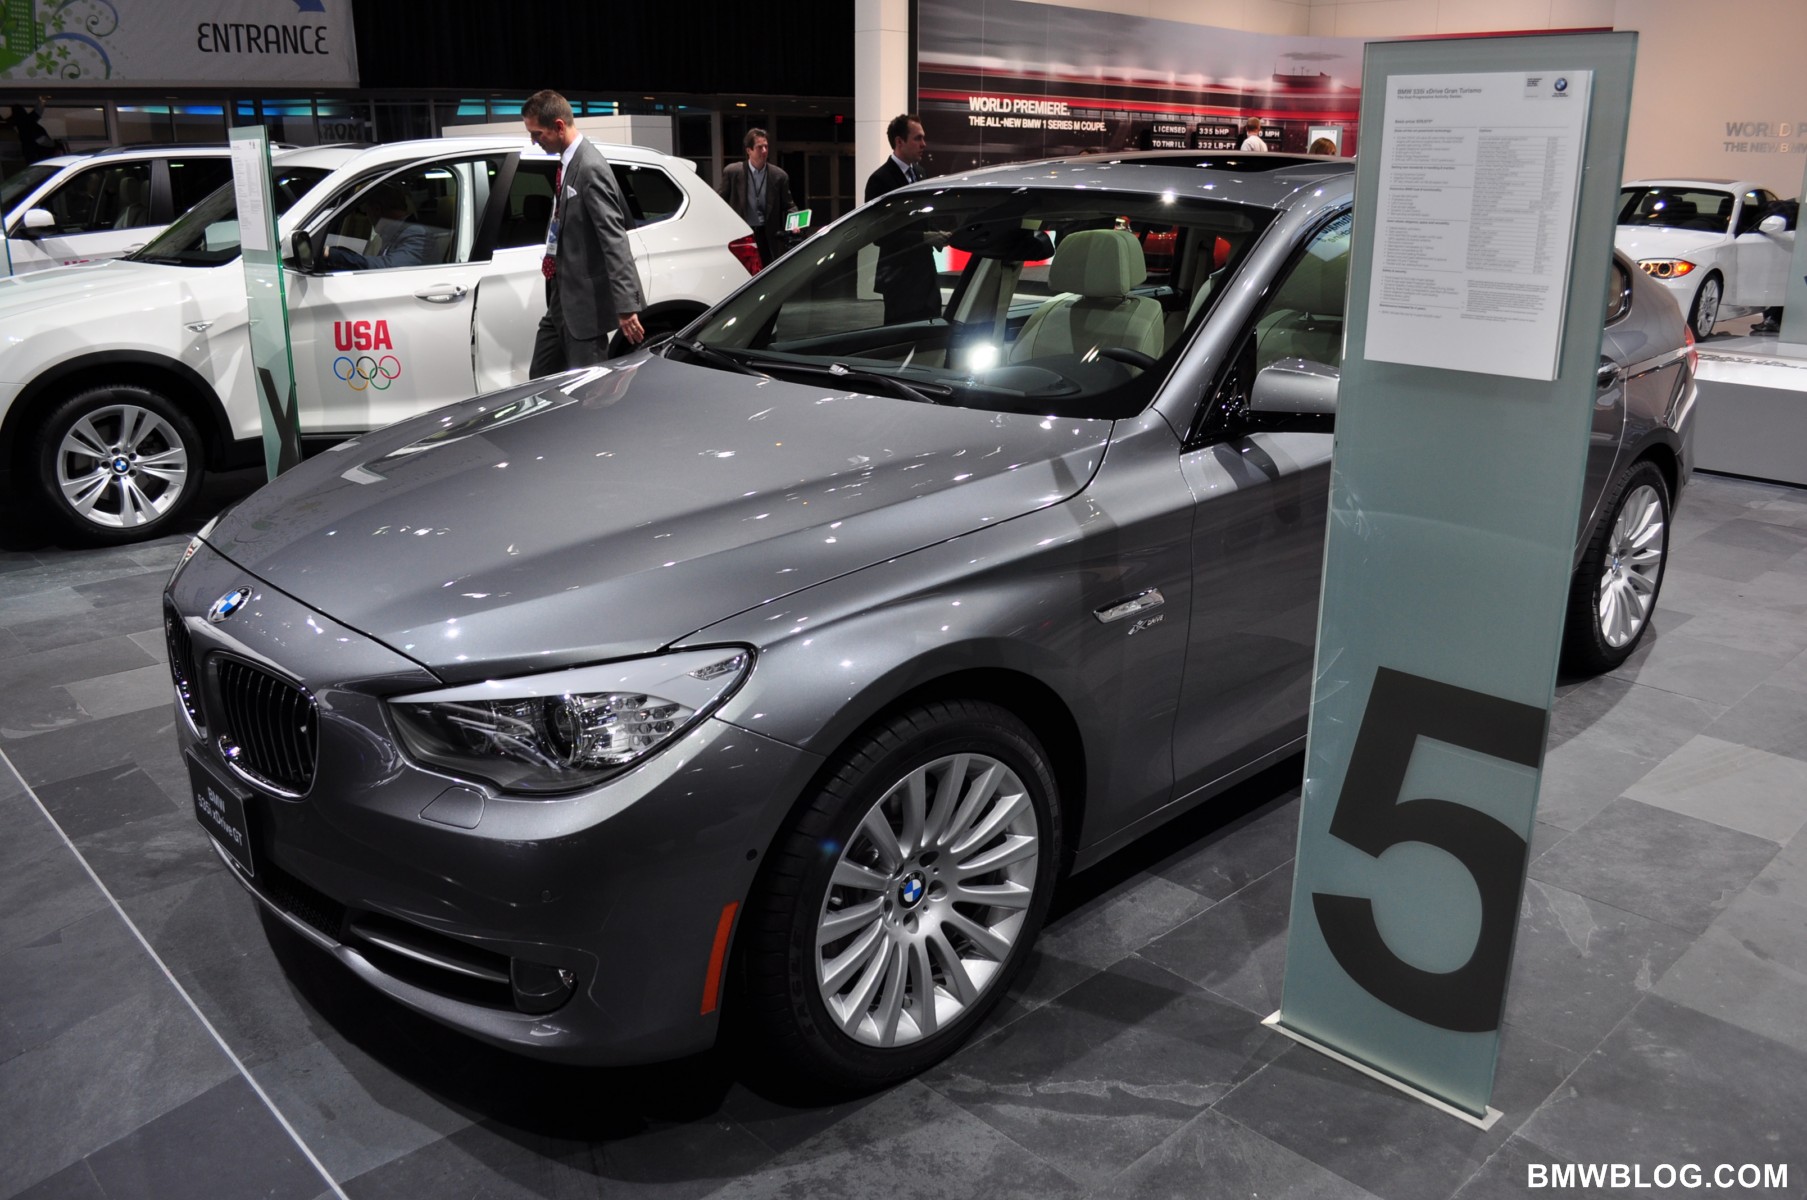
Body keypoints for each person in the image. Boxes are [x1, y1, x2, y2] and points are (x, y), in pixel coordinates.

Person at [522, 89, 646, 376]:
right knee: (539, 378)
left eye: (537, 134)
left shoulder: (589, 166)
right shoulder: (567, 162)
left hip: (585, 307)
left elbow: (613, 238)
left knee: (591, 390)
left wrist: (626, 306)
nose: (534, 141)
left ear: (559, 126)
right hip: (561, 297)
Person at [863, 113, 939, 325]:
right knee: (901, 336)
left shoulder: (921, 173)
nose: (924, 144)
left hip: (926, 275)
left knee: (932, 334)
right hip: (899, 278)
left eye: (923, 138)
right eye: (917, 138)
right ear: (899, 141)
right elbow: (879, 234)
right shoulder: (880, 180)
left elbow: (924, 216)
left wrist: (938, 234)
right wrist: (924, 237)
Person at [719, 127, 797, 269]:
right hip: (742, 234)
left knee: (768, 272)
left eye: (766, 146)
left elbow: (789, 205)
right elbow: (719, 202)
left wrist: (795, 223)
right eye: (759, 147)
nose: (764, 151)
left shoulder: (779, 176)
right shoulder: (733, 172)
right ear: (749, 150)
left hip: (767, 235)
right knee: (743, 272)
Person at [326, 185, 434, 270]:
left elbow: (390, 267)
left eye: (366, 212)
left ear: (377, 209)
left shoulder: (417, 233)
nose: (367, 217)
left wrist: (334, 255)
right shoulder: (395, 233)